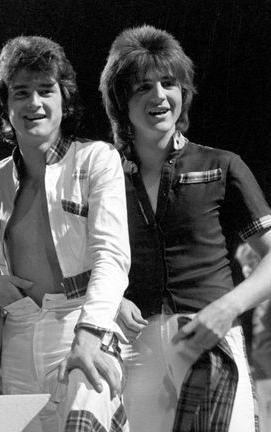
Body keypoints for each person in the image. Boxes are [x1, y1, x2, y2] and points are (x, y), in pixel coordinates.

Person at [100, 25, 271, 431]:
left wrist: (226, 308)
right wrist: (113, 300)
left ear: (183, 93)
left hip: (211, 345)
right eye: (142, 87)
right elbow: (90, 261)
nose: (159, 96)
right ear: (121, 101)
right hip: (133, 352)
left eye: (169, 84)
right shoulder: (103, 175)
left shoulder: (222, 165)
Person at [0, 36, 130, 431]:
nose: (34, 103)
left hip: (81, 323)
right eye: (21, 92)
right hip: (18, 334)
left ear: (64, 99)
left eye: (45, 90)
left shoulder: (96, 159)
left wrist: (90, 332)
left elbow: (112, 257)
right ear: (6, 105)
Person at [236, 243, 271, 432]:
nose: (245, 269)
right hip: (262, 373)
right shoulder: (259, 303)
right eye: (243, 264)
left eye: (250, 263)